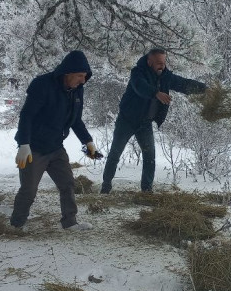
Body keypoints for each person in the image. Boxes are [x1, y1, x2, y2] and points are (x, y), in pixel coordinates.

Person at [11, 50, 103, 230]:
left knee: (68, 184)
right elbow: (27, 116)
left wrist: (88, 142)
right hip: (34, 148)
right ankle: (16, 225)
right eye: (79, 76)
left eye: (85, 77)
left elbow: (75, 120)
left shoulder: (77, 91)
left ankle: (70, 222)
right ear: (67, 73)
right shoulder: (42, 85)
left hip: (56, 147)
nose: (83, 81)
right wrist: (24, 144)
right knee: (29, 190)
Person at [100, 48, 207, 194]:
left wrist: (204, 89)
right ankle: (106, 186)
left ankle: (147, 191)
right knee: (115, 153)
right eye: (158, 63)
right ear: (149, 62)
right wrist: (156, 93)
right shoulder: (137, 72)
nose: (161, 65)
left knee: (150, 157)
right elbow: (140, 87)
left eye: (163, 62)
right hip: (127, 120)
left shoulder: (165, 76)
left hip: (145, 123)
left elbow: (183, 83)